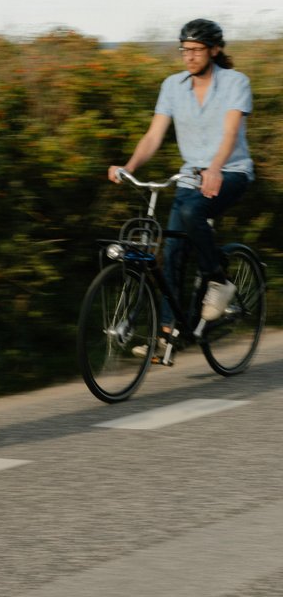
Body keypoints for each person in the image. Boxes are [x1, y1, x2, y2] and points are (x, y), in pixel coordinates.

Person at [107, 18, 254, 349]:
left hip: (231, 171)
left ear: (214, 51)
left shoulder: (235, 82)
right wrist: (128, 166)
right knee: (170, 251)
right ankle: (168, 332)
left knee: (191, 214)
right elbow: (154, 134)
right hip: (190, 175)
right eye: (184, 49)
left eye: (196, 50)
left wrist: (216, 168)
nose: (189, 56)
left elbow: (231, 133)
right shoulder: (173, 86)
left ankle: (218, 281)